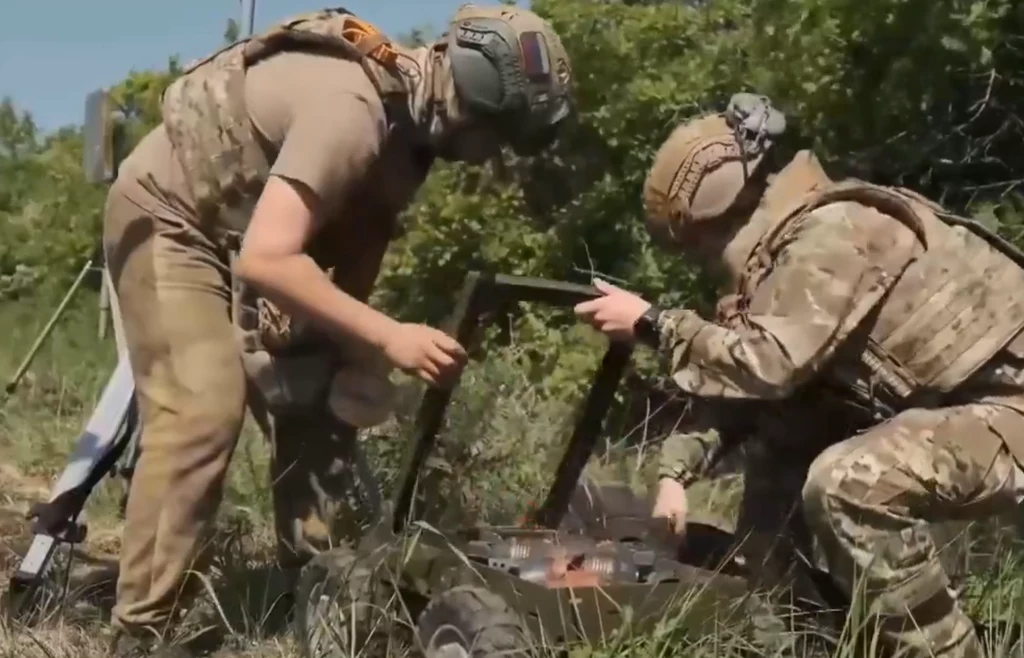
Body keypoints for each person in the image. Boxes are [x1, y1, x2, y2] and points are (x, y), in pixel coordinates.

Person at [102, 5, 574, 656]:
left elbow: (359, 245)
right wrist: (387, 337)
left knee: (317, 393)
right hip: (172, 216)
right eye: (495, 135)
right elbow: (271, 260)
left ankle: (326, 592)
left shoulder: (410, 140)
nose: (487, 156)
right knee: (202, 413)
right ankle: (140, 632)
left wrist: (351, 357)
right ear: (471, 101)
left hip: (251, 225)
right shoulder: (352, 114)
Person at [575, 92, 1024, 657]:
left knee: (847, 485)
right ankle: (825, 645)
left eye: (699, 247)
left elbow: (769, 364)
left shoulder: (833, 232)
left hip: (1012, 405)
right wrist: (674, 474)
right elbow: (754, 396)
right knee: (772, 490)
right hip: (970, 408)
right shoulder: (788, 255)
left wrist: (655, 324)